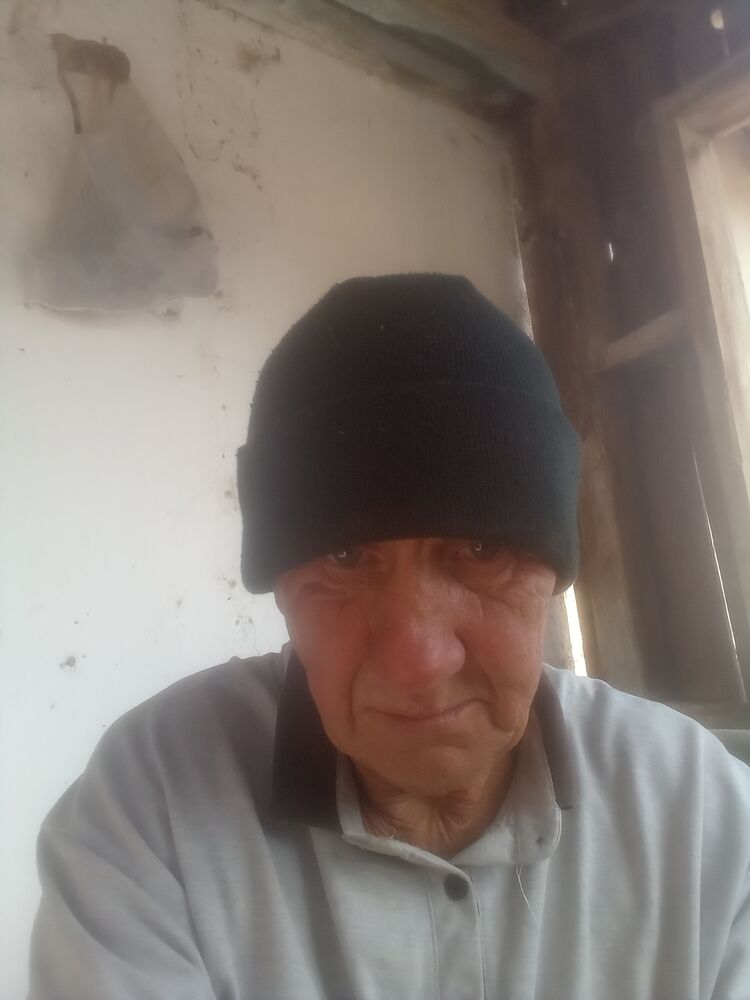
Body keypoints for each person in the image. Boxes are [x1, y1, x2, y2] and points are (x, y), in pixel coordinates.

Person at [29, 274, 750, 1000]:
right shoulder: (152, 806)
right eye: (346, 559)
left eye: (481, 552)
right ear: (282, 590)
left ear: (552, 574)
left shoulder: (703, 818)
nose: (419, 661)